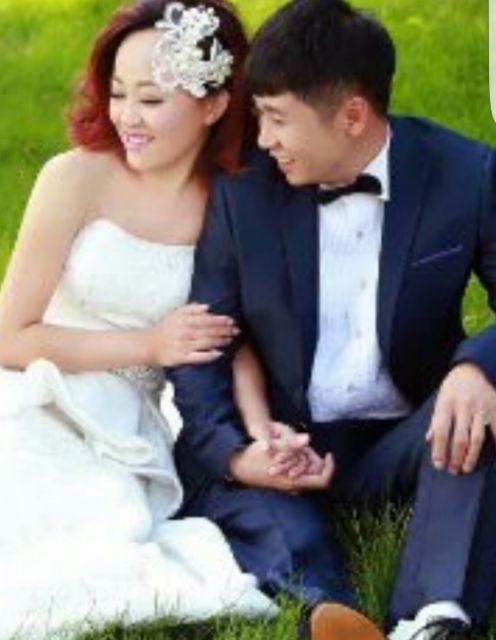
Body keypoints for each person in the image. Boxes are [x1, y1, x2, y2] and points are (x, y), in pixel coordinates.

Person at [0, 2, 282, 638]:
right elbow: (9, 339)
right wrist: (149, 344)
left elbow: (232, 338)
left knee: (80, 526)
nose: (127, 116)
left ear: (214, 105)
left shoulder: (230, 203)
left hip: (127, 424)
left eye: (150, 99)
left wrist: (259, 426)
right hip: (36, 382)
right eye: (118, 93)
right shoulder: (76, 177)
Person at [169, 1, 496, 639]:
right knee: (267, 516)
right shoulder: (243, 191)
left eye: (277, 118)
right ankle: (331, 615)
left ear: (352, 115)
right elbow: (205, 346)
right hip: (285, 442)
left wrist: (478, 367)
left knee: (474, 421)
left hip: (406, 434)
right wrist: (241, 454)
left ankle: (435, 618)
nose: (264, 138)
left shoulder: (465, 174)